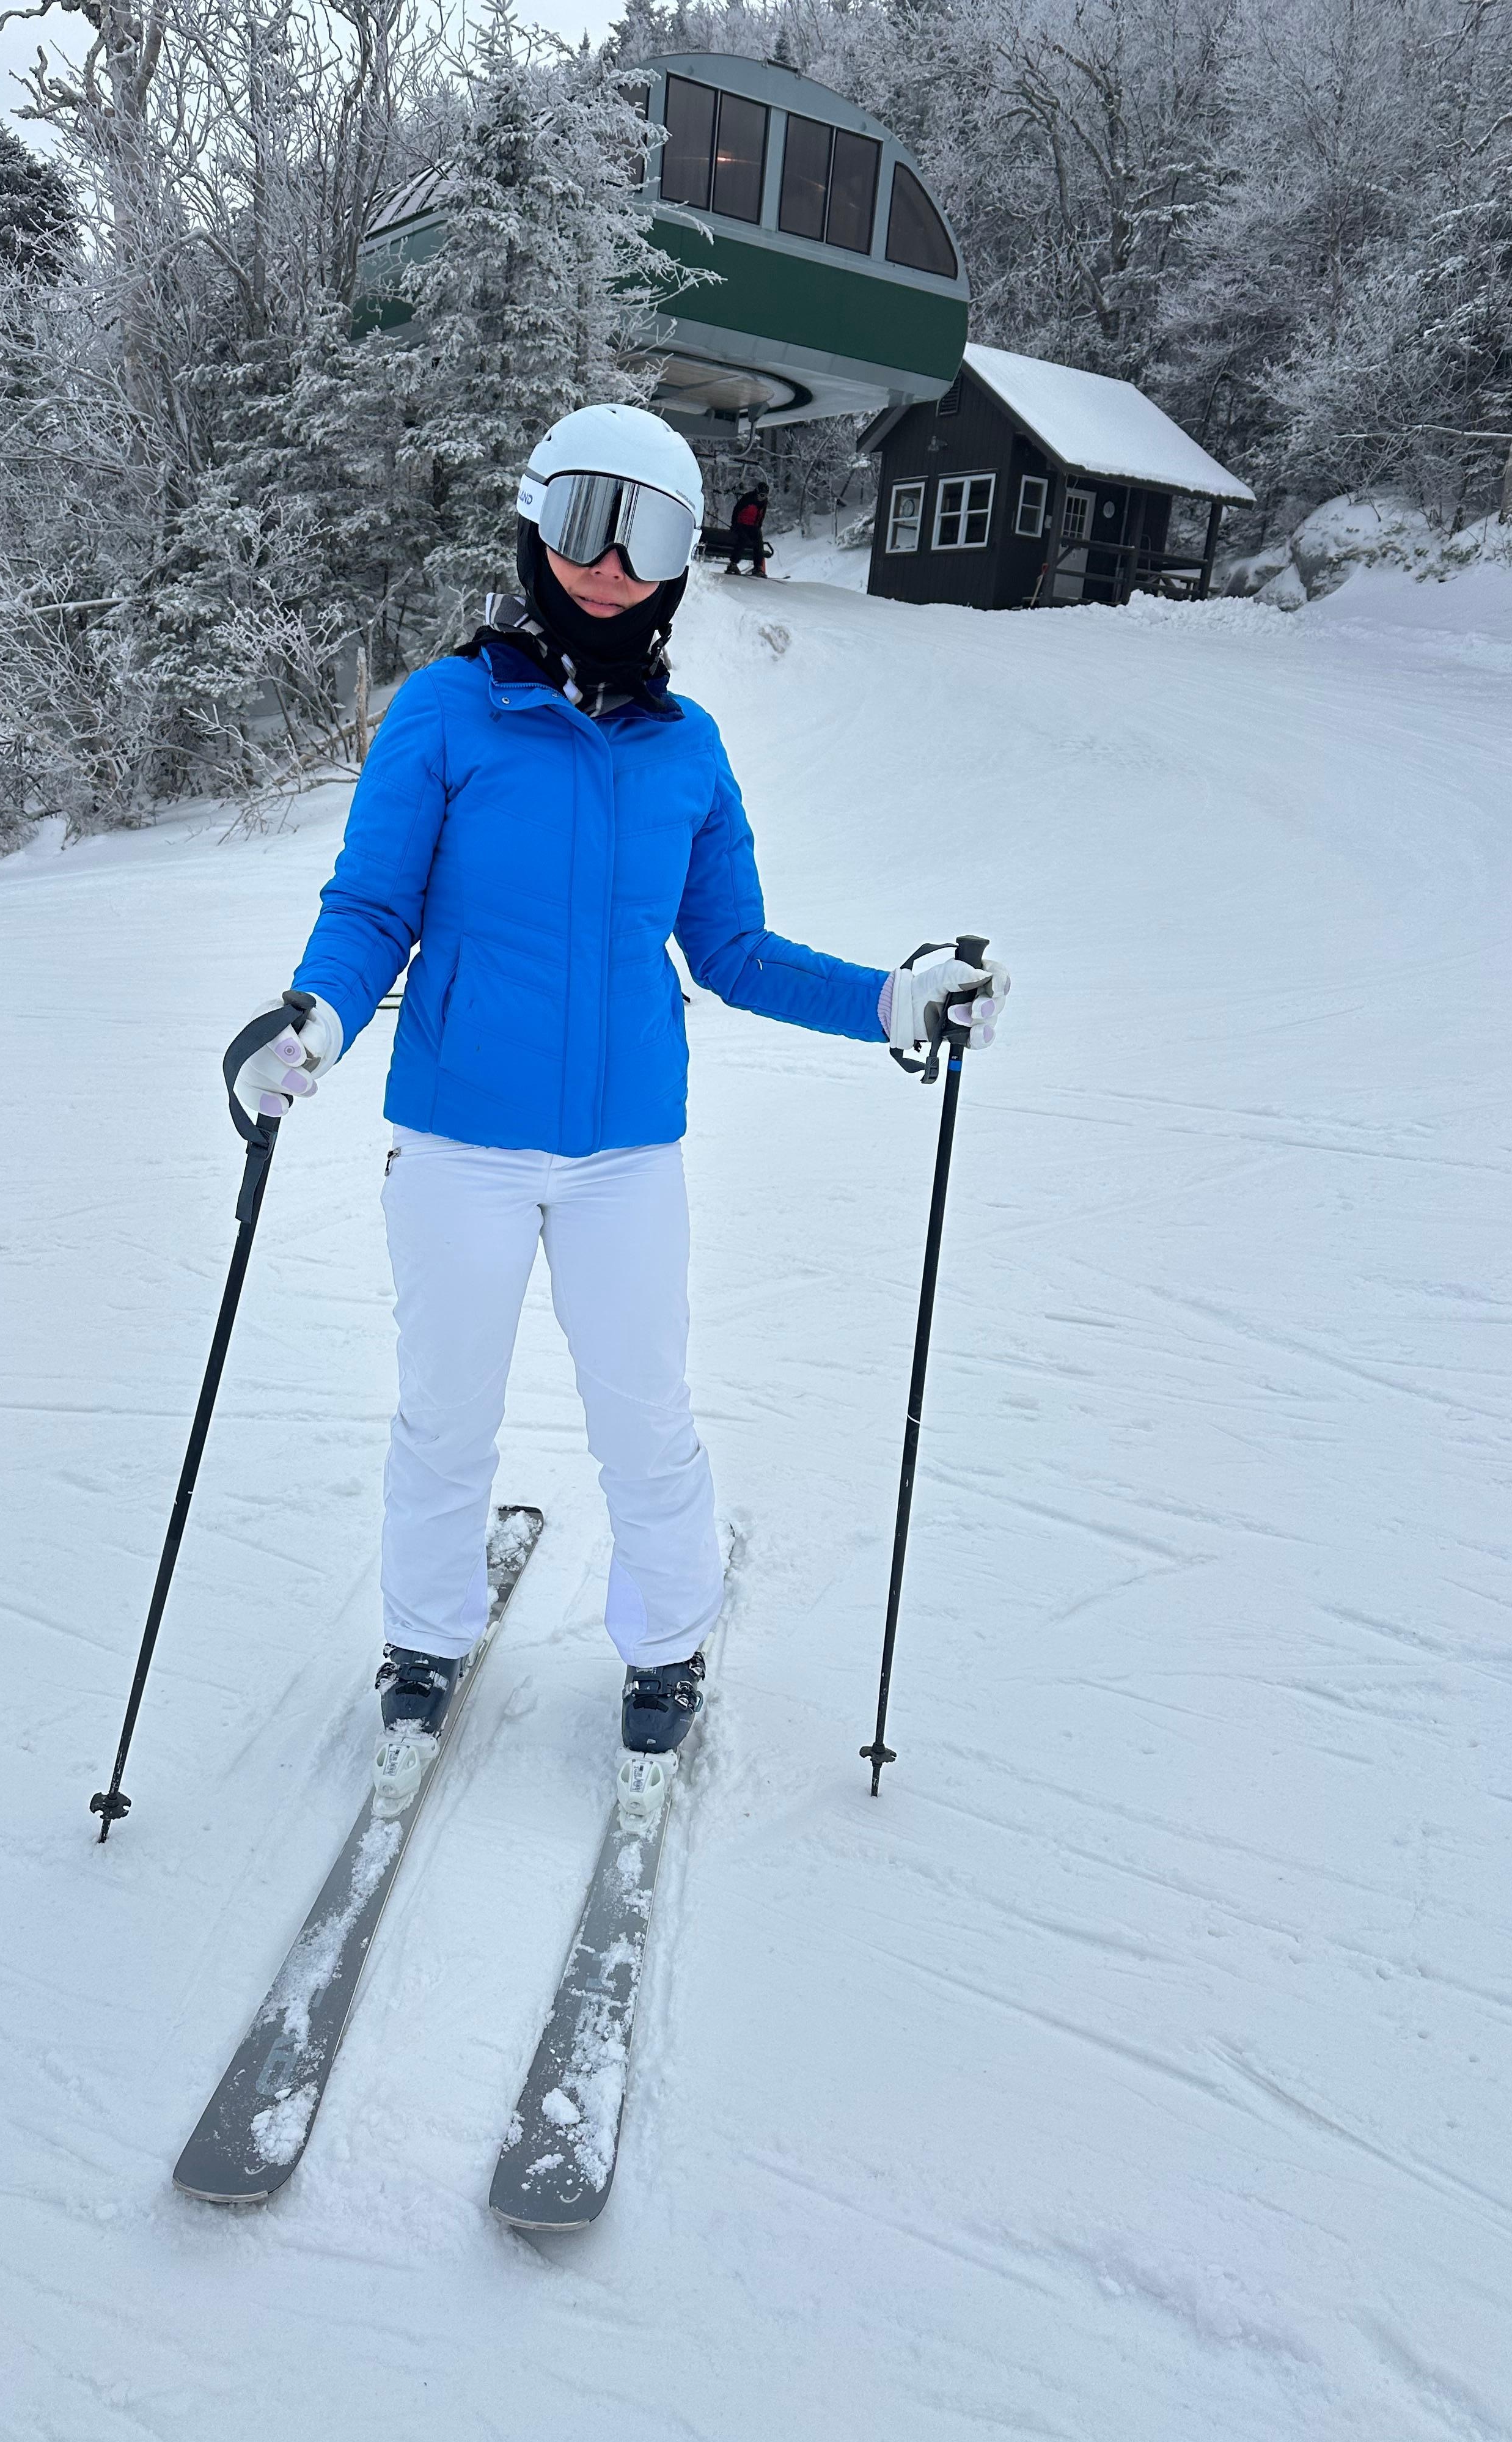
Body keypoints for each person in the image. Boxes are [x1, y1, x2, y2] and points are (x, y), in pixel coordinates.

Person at [227, 403, 1008, 1773]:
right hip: (460, 1140)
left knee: (644, 1409)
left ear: (680, 561)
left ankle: (666, 1638)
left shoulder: (686, 747)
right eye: (582, 521)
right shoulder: (447, 709)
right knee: (445, 1406)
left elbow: (733, 950)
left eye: (646, 535)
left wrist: (892, 998)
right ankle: (425, 1630)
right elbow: (369, 909)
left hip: (626, 1156)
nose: (608, 564)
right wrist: (315, 1022)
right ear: (534, 524)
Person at [725, 479, 769, 576]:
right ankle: (733, 564)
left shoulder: (764, 503)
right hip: (740, 525)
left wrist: (758, 527)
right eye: (761, 495)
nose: (762, 498)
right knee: (743, 539)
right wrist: (734, 524)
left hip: (753, 526)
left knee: (758, 541)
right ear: (757, 492)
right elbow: (737, 510)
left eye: (765, 496)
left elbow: (761, 516)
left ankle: (758, 567)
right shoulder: (748, 498)